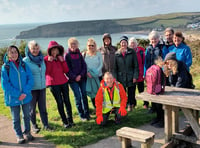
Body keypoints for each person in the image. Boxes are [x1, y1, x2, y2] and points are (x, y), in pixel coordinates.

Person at [1, 45, 34, 144]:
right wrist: (18, 94)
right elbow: (5, 84)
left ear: (18, 53)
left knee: (27, 116)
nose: (14, 54)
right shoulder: (5, 67)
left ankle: (27, 132)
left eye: (15, 52)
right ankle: (19, 135)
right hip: (13, 97)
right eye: (12, 52)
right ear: (8, 54)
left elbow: (30, 79)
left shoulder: (24, 64)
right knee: (16, 118)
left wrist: (25, 92)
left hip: (25, 95)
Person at [44, 41, 74, 128]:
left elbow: (66, 70)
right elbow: (47, 73)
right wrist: (49, 62)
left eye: (56, 50)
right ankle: (65, 122)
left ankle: (70, 120)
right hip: (53, 84)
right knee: (60, 102)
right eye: (53, 50)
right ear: (50, 51)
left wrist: (63, 61)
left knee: (67, 101)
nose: (54, 52)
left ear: (58, 50)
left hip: (64, 82)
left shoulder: (60, 58)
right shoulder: (46, 59)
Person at [23, 40, 51, 133]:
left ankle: (46, 125)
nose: (35, 50)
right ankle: (34, 126)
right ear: (29, 49)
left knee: (43, 108)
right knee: (32, 109)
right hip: (31, 89)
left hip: (42, 87)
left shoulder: (41, 59)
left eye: (37, 48)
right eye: (33, 49)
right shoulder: (25, 61)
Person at [65, 37, 90, 121]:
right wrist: (75, 77)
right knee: (78, 96)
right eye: (72, 44)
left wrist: (80, 75)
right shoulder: (67, 55)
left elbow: (84, 66)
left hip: (82, 78)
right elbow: (67, 69)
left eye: (75, 44)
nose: (73, 45)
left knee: (84, 95)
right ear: (69, 45)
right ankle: (81, 115)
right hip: (73, 80)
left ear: (77, 44)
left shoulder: (79, 54)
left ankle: (87, 113)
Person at [114, 36, 139, 111]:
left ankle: (130, 105)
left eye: (125, 42)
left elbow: (136, 66)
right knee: (123, 93)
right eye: (122, 43)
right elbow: (115, 68)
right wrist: (116, 79)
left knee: (131, 92)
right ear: (120, 44)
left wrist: (135, 76)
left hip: (131, 75)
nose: (123, 44)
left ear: (127, 43)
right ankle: (124, 104)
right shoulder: (117, 54)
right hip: (121, 77)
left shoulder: (132, 52)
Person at [144, 30, 163, 113]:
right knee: (151, 89)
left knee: (158, 89)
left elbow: (164, 60)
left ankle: (159, 107)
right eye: (152, 39)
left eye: (155, 39)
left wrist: (163, 71)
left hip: (158, 72)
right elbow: (146, 62)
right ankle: (153, 107)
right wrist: (145, 73)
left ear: (158, 39)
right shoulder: (148, 49)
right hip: (150, 73)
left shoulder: (162, 48)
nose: (153, 40)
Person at [128, 37, 147, 109]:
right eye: (131, 43)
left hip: (140, 73)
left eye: (134, 43)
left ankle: (145, 103)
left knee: (141, 90)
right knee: (131, 90)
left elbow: (144, 63)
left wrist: (144, 74)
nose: (132, 45)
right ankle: (132, 103)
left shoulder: (141, 52)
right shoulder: (128, 52)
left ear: (136, 44)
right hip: (131, 75)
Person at [84, 38, 103, 108]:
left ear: (95, 45)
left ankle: (102, 107)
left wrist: (96, 72)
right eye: (89, 45)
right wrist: (87, 72)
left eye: (92, 45)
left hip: (98, 76)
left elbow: (101, 64)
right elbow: (83, 65)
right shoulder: (84, 54)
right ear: (87, 46)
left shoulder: (98, 53)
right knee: (92, 92)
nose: (91, 47)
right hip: (89, 77)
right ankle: (95, 107)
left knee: (100, 92)